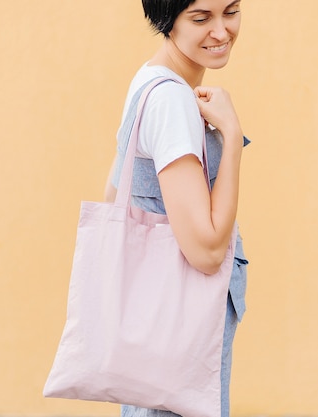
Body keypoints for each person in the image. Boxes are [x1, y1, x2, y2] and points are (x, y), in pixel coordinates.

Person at [104, 1, 249, 416]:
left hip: (153, 331)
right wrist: (233, 137)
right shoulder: (171, 103)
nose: (221, 32)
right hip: (178, 340)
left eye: (231, 11)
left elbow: (115, 191)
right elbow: (205, 252)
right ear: (166, 19)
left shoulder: (148, 80)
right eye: (201, 18)